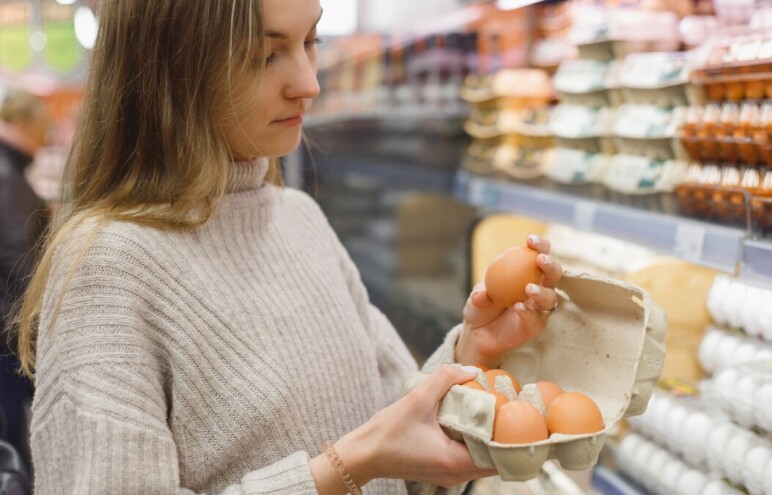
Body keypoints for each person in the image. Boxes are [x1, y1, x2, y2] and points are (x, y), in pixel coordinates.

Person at [13, 1, 564, 494]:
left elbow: (403, 453)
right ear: (173, 67)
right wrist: (349, 464)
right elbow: (374, 452)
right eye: (265, 55)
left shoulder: (299, 218)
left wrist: (470, 354)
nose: (307, 83)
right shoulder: (109, 267)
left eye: (310, 42)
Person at [0, 87, 50, 465]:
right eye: (40, 129)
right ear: (20, 123)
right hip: (7, 326)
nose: (43, 139)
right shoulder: (8, 175)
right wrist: (36, 324)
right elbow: (18, 257)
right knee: (13, 422)